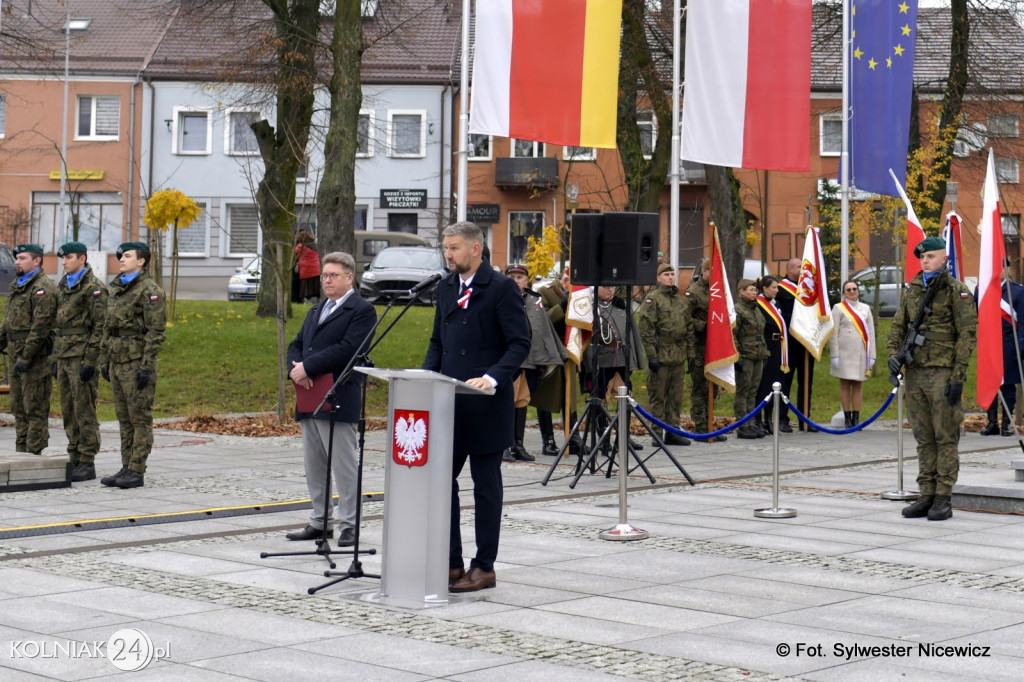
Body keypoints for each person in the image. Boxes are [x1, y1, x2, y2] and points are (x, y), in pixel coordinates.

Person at [422, 221, 530, 593]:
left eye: (453, 248)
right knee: (441, 484)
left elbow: (519, 343)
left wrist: (493, 377)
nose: (447, 254)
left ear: (475, 250)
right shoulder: (446, 288)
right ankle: (451, 561)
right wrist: (423, 380)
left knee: (485, 488)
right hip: (449, 403)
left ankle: (484, 566)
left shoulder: (500, 288)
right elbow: (439, 342)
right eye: (445, 248)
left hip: (485, 404)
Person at [285, 251, 376, 545]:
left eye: (333, 275)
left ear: (350, 277)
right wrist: (297, 368)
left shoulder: (361, 310)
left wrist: (309, 367)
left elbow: (349, 348)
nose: (326, 280)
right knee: (314, 463)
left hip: (339, 394)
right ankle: (320, 520)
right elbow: (296, 344)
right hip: (310, 395)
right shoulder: (316, 310)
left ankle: (349, 523)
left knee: (343, 465)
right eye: (325, 275)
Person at [887, 236, 976, 521]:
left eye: (930, 257)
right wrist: (893, 354)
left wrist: (958, 375)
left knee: (945, 437)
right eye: (922, 258)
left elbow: (967, 334)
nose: (924, 261)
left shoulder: (956, 290)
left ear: (943, 259)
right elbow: (898, 325)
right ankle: (925, 494)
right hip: (914, 373)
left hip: (942, 372)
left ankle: (943, 497)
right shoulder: (912, 289)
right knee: (924, 438)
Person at [98, 242, 167, 489]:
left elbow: (156, 332)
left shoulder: (149, 290)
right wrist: (104, 359)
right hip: (117, 361)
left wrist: (146, 366)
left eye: (127, 256)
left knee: (139, 419)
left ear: (141, 261)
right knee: (124, 418)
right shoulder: (118, 288)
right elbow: (108, 327)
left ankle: (137, 469)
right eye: (121, 256)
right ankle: (126, 466)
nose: (122, 259)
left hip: (136, 361)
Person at [54, 241, 109, 482]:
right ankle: (74, 454)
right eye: (63, 258)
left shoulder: (93, 287)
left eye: (68, 258)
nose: (64, 262)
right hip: (64, 354)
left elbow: (101, 326)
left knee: (84, 409)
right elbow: (59, 326)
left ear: (82, 258)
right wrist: (54, 357)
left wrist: (91, 360)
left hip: (81, 356)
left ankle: (87, 460)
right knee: (67, 409)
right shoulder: (64, 284)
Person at [503, 263, 567, 462]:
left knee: (521, 401)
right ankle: (504, 445)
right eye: (511, 277)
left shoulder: (535, 300)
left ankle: (518, 445)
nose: (516, 281)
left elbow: (544, 329)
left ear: (527, 280)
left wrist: (555, 354)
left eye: (519, 277)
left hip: (532, 359)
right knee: (506, 402)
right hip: (509, 360)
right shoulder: (500, 298)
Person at [0, 243, 58, 455]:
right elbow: (8, 322)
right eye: (16, 258)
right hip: (16, 355)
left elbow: (41, 327)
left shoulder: (43, 288)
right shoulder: (19, 285)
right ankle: (21, 452)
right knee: (18, 408)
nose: (16, 261)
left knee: (35, 408)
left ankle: (34, 454)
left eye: (22, 258)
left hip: (34, 358)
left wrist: (26, 357)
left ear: (37, 261)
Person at [637, 263, 692, 446]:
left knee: (675, 398)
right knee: (657, 397)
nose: (670, 277)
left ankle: (672, 432)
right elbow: (646, 329)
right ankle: (657, 432)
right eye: (666, 274)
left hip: (677, 355)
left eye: (672, 274)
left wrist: (690, 354)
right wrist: (651, 354)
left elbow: (689, 327)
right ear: (658, 278)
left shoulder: (681, 300)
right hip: (661, 354)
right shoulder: (653, 300)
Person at [978, 260, 1024, 437]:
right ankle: (992, 423)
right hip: (989, 343)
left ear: (1007, 269)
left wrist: (1021, 344)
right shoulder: (981, 290)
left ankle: (1006, 423)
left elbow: (1023, 322)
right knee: (990, 383)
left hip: (1008, 341)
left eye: (1001, 267)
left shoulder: (1018, 292)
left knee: (1008, 384)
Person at [538, 269, 580, 456]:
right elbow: (542, 319)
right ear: (563, 278)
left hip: (569, 350)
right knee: (546, 396)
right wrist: (561, 306)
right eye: (567, 279)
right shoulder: (546, 291)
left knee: (569, 396)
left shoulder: (578, 295)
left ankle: (574, 437)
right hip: (550, 351)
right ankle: (548, 440)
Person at [685, 258, 727, 442]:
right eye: (711, 271)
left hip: (715, 346)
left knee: (713, 388)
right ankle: (701, 427)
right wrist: (704, 326)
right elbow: (686, 318)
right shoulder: (693, 292)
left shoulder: (719, 291)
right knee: (700, 388)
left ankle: (711, 425)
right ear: (704, 271)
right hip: (699, 346)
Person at [777, 257, 816, 432]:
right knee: (786, 382)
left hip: (806, 342)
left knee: (806, 382)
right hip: (790, 343)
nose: (802, 270)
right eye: (800, 267)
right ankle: (782, 419)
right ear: (790, 269)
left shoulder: (807, 290)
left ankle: (805, 419)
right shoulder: (781, 289)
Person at [829, 280, 876, 428]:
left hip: (861, 352)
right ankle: (847, 417)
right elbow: (833, 333)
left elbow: (871, 333)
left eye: (854, 289)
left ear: (858, 291)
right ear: (844, 293)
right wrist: (834, 354)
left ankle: (856, 418)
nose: (852, 292)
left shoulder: (865, 308)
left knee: (857, 384)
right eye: (848, 290)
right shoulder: (838, 308)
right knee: (844, 384)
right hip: (844, 352)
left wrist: (872, 355)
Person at [733, 278, 768, 439]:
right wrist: (737, 356)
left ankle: (752, 423)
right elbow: (734, 334)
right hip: (745, 354)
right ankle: (743, 425)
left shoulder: (756, 309)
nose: (754, 293)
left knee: (753, 391)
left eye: (755, 291)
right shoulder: (738, 310)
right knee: (743, 390)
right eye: (751, 290)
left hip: (758, 353)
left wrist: (764, 352)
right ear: (742, 292)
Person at [755, 275, 789, 435]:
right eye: (774, 287)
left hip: (778, 347)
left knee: (774, 383)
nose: (777, 290)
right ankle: (758, 419)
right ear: (765, 288)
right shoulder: (759, 305)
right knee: (763, 384)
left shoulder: (776, 304)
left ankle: (769, 417)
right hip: (766, 346)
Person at [292, 230, 321, 304]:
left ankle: (307, 301)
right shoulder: (314, 245)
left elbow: (293, 254)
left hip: (306, 270)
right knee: (316, 288)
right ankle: (317, 302)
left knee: (306, 289)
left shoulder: (300, 246)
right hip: (316, 270)